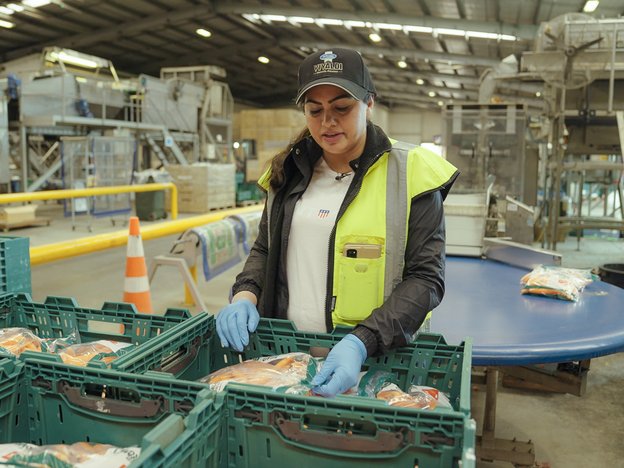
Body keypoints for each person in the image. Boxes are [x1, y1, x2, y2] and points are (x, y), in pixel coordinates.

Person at [216, 48, 459, 397]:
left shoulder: (411, 174)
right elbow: (265, 248)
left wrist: (362, 342)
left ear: (369, 103)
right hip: (289, 364)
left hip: (378, 365)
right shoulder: (287, 173)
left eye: (342, 108)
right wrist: (244, 295)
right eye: (315, 110)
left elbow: (426, 279)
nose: (327, 121)